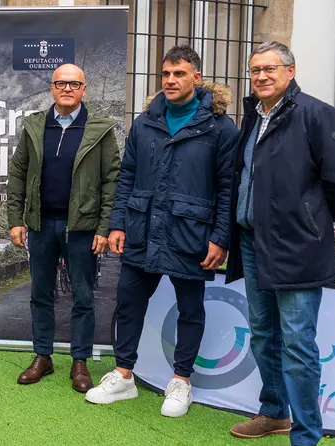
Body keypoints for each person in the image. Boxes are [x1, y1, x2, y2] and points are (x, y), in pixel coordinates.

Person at [86, 45, 238, 418]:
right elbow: (126, 178)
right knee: (129, 301)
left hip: (192, 233)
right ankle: (123, 375)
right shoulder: (144, 122)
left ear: (196, 78)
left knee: (190, 309)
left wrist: (220, 237)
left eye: (179, 74)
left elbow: (227, 187)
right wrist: (118, 222)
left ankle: (181, 381)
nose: (170, 80)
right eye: (166, 74)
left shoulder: (220, 127)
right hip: (141, 229)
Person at [226, 42, 335, 445]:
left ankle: (306, 435)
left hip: (297, 247)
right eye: (255, 71)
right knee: (263, 334)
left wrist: (312, 219)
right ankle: (273, 413)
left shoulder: (317, 115)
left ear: (290, 71)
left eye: (270, 68)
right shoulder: (253, 117)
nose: (262, 76)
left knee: (299, 344)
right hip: (252, 243)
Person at [7, 63, 121, 393]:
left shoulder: (100, 129)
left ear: (84, 89)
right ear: (52, 88)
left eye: (74, 84)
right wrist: (16, 219)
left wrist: (104, 227)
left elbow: (112, 180)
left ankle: (80, 361)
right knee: (40, 294)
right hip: (41, 225)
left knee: (83, 296)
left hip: (82, 228)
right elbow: (17, 174)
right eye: (60, 83)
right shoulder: (34, 127)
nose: (67, 89)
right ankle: (42, 357)